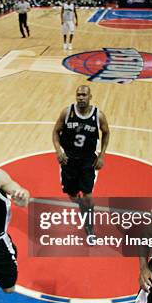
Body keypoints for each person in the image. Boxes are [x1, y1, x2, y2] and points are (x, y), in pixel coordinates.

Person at [52, 85, 110, 238]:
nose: (81, 98)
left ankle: (89, 227)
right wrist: (58, 151)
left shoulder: (98, 115)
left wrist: (102, 155)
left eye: (84, 95)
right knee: (71, 194)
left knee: (88, 196)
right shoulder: (67, 112)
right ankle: (80, 204)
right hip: (68, 160)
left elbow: (106, 133)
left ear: (90, 97)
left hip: (87, 161)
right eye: (78, 95)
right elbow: (55, 132)